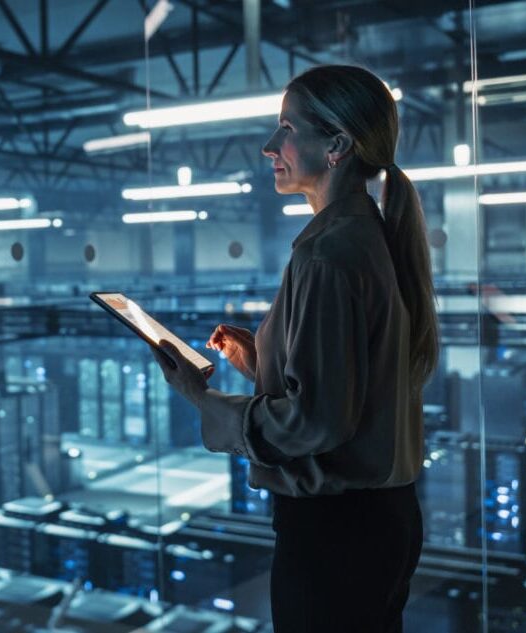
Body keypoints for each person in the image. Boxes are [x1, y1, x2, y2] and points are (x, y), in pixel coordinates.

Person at [151, 64, 438, 633]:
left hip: (336, 533)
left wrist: (201, 397)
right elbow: (355, 384)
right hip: (378, 522)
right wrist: (262, 360)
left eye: (286, 128)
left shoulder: (329, 253)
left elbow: (318, 421)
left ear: (336, 144)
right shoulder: (366, 236)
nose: (268, 146)